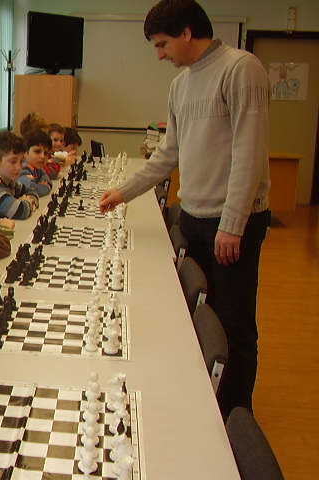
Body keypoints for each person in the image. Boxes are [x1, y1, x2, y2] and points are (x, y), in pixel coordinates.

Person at [99, 0, 270, 418]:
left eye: (162, 44)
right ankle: (206, 402)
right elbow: (167, 154)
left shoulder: (241, 69)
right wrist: (123, 191)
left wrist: (233, 224)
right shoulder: (181, 85)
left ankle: (234, 416)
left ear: (187, 33)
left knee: (234, 325)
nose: (160, 55)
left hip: (233, 223)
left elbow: (249, 153)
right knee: (203, 322)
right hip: (193, 216)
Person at [0, 131, 40, 220]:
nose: (19, 167)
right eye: (13, 162)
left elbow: (32, 190)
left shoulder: (11, 184)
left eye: (21, 161)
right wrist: (27, 202)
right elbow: (21, 211)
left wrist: (30, 200)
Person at [19, 129, 53, 197]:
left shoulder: (38, 168)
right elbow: (29, 187)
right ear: (25, 153)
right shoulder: (23, 168)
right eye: (37, 152)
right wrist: (46, 187)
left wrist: (42, 185)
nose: (43, 156)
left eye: (46, 153)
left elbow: (48, 181)